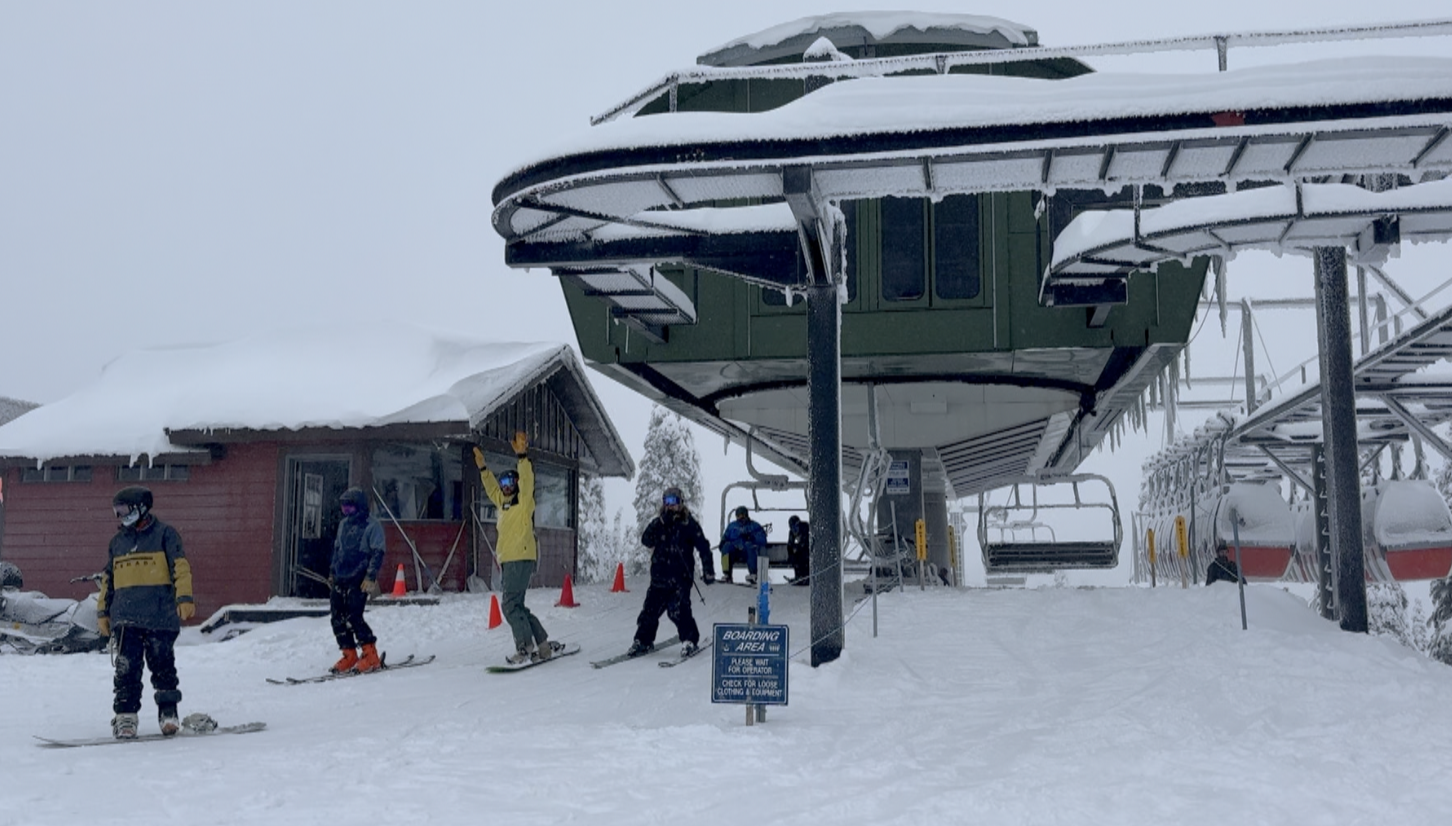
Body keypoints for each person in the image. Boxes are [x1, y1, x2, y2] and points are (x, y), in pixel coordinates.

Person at [96, 486, 194, 739]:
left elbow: (180, 568)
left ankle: (168, 713)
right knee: (126, 669)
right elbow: (109, 580)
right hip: (126, 619)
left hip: (159, 618)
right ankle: (125, 718)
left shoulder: (165, 535)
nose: (120, 517)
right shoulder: (117, 543)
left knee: (163, 667)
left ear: (141, 508)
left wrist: (184, 597)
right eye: (116, 512)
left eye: (124, 510)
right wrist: (102, 612)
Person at [475, 431, 561, 664]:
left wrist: (522, 457)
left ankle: (524, 647)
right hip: (510, 560)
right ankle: (542, 644)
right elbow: (491, 489)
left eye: (509, 483)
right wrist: (484, 469)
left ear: (515, 484)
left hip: (519, 558)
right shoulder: (503, 504)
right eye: (503, 483)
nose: (504, 487)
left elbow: (527, 481)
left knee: (510, 606)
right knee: (518, 606)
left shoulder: (524, 504)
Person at [630, 486, 713, 658]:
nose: (670, 506)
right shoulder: (659, 523)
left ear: (681, 503)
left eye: (674, 502)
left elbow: (703, 547)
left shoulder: (688, 524)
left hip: (680, 578)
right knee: (650, 611)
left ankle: (689, 640)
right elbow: (646, 540)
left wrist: (708, 570)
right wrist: (658, 523)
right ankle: (643, 640)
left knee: (679, 610)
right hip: (659, 577)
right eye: (667, 502)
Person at [329, 487, 386, 674]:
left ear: (360, 506)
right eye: (344, 508)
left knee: (354, 616)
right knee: (337, 617)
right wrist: (332, 572)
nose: (346, 512)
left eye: (350, 508)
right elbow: (338, 550)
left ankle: (371, 655)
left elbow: (378, 552)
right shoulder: (343, 525)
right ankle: (349, 653)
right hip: (341, 576)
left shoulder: (372, 525)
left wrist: (370, 576)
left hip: (359, 578)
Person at [720, 505, 768, 585]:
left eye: (741, 515)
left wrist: (752, 538)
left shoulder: (754, 526)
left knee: (750, 546)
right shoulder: (732, 526)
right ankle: (727, 573)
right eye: (738, 516)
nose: (740, 518)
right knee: (726, 547)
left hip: (748, 552)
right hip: (735, 550)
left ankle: (753, 574)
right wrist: (723, 542)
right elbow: (726, 536)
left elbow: (762, 539)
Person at [786, 514, 810, 586]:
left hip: (809, 549)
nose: (794, 529)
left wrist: (797, 548)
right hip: (801, 549)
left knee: (803, 556)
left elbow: (806, 542)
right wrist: (790, 555)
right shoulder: (791, 532)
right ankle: (798, 576)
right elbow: (790, 544)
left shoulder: (805, 528)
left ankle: (806, 576)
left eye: (796, 526)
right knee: (795, 557)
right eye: (792, 527)